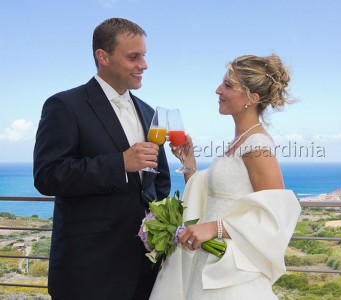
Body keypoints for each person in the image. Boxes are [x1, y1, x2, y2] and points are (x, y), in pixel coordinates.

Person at [33, 18, 171, 300]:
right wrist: (119, 163)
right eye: (134, 57)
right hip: (89, 269)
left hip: (145, 267)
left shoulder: (148, 112)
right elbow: (47, 175)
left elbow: (159, 182)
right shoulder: (64, 105)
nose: (143, 65)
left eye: (144, 56)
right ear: (103, 56)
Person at [149, 54, 301, 299]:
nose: (218, 90)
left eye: (228, 86)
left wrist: (215, 228)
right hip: (210, 259)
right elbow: (218, 198)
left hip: (231, 269)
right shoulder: (240, 141)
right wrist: (188, 163)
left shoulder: (257, 146)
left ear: (251, 98)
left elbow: (275, 214)